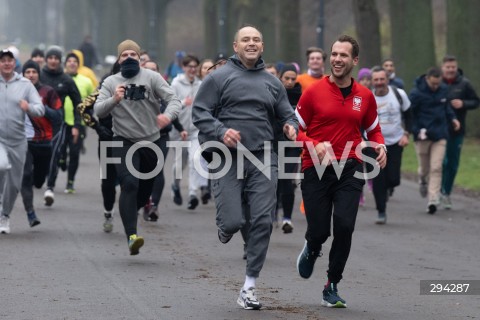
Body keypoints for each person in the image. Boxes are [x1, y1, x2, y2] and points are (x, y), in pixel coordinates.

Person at [192, 25, 298, 310]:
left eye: (256, 40)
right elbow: (199, 112)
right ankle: (226, 224)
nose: (251, 44)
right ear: (236, 47)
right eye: (245, 40)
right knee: (232, 222)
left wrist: (290, 125)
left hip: (263, 156)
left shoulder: (272, 82)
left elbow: (287, 113)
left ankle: (249, 286)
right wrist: (220, 130)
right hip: (228, 157)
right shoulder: (219, 78)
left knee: (263, 221)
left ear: (262, 47)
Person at [295, 35, 386, 308]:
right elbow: (293, 131)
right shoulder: (313, 93)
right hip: (316, 169)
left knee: (345, 226)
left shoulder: (365, 97)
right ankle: (313, 245)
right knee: (321, 230)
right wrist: (313, 144)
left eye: (343, 55)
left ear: (354, 61)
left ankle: (332, 283)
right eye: (334, 54)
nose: (336, 59)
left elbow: (374, 130)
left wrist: (381, 147)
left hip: (350, 168)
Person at [94, 39, 181, 255]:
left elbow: (174, 101)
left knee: (143, 193)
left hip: (151, 140)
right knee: (129, 184)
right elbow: (98, 111)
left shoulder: (152, 77)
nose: (129, 58)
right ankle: (132, 236)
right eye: (124, 55)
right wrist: (114, 99)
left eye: (133, 54)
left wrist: (166, 117)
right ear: (119, 59)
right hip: (123, 140)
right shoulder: (111, 82)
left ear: (139, 57)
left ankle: (130, 209)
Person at [0, 49, 45, 234]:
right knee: (2, 166)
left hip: (19, 141)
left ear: (15, 63)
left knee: (14, 184)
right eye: (3, 60)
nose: (6, 63)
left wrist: (29, 108)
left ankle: (5, 216)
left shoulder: (25, 84)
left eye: (10, 60)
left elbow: (40, 108)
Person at [410, 67, 460, 214]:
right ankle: (422, 180)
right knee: (425, 169)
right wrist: (416, 130)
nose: (435, 87)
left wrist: (453, 119)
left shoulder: (443, 90)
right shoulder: (416, 93)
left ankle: (433, 199)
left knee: (437, 167)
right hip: (423, 136)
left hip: (440, 134)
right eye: (433, 84)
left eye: (437, 84)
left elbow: (447, 108)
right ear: (427, 79)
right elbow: (410, 115)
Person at [140, 59, 185, 221]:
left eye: (154, 69)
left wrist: (180, 129)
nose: (151, 73)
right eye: (147, 69)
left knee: (157, 169)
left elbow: (173, 110)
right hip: (141, 135)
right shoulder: (136, 88)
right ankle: (144, 201)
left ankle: (154, 206)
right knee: (143, 171)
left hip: (161, 135)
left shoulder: (165, 89)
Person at [20, 60, 62, 228]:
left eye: (34, 72)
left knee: (38, 181)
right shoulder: (16, 91)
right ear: (23, 75)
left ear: (38, 74)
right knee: (26, 176)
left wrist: (40, 108)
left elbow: (58, 116)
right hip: (24, 142)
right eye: (27, 72)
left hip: (44, 142)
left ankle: (36, 184)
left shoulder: (48, 92)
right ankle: (31, 213)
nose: (31, 75)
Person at [40, 45, 83, 206]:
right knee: (39, 157)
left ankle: (50, 187)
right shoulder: (39, 76)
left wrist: (77, 125)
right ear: (46, 59)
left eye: (56, 58)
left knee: (55, 154)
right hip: (37, 124)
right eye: (50, 58)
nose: (53, 61)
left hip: (58, 123)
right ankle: (39, 179)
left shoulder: (66, 80)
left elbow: (78, 104)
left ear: (60, 61)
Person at [370, 66, 411, 224]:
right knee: (378, 178)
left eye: (382, 79)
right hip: (373, 144)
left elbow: (409, 115)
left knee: (393, 179)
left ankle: (388, 188)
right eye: (376, 80)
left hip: (395, 141)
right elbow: (357, 119)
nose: (379, 82)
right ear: (372, 81)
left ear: (387, 79)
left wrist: (406, 134)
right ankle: (381, 210)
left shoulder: (399, 95)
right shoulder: (367, 97)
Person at [170, 54, 209, 210]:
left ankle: (193, 193)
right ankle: (176, 184)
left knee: (195, 160)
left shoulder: (201, 85)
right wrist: (183, 103)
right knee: (180, 164)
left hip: (194, 131)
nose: (192, 69)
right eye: (189, 66)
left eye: (195, 67)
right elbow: (170, 105)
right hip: (179, 130)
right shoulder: (176, 84)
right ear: (184, 67)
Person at [440, 55, 479, 209]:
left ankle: (446, 193)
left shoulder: (464, 83)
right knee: (440, 162)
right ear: (443, 68)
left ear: (456, 68)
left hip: (457, 130)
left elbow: (476, 101)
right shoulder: (437, 82)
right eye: (448, 67)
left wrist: (463, 103)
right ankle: (438, 190)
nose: (450, 70)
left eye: (453, 67)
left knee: (453, 163)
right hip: (440, 130)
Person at [59, 51, 95, 193]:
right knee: (59, 151)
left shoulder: (85, 81)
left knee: (74, 153)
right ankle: (61, 160)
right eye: (69, 61)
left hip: (78, 123)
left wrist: (88, 115)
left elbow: (91, 101)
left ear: (78, 65)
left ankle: (70, 182)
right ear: (65, 64)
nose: (72, 63)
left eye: (75, 61)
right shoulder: (60, 79)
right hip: (61, 122)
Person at [276, 64, 302, 233]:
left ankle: (287, 218)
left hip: (293, 144)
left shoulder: (302, 97)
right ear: (280, 77)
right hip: (273, 142)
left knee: (286, 179)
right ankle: (271, 213)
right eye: (287, 78)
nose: (290, 82)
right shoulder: (274, 94)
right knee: (273, 180)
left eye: (293, 78)